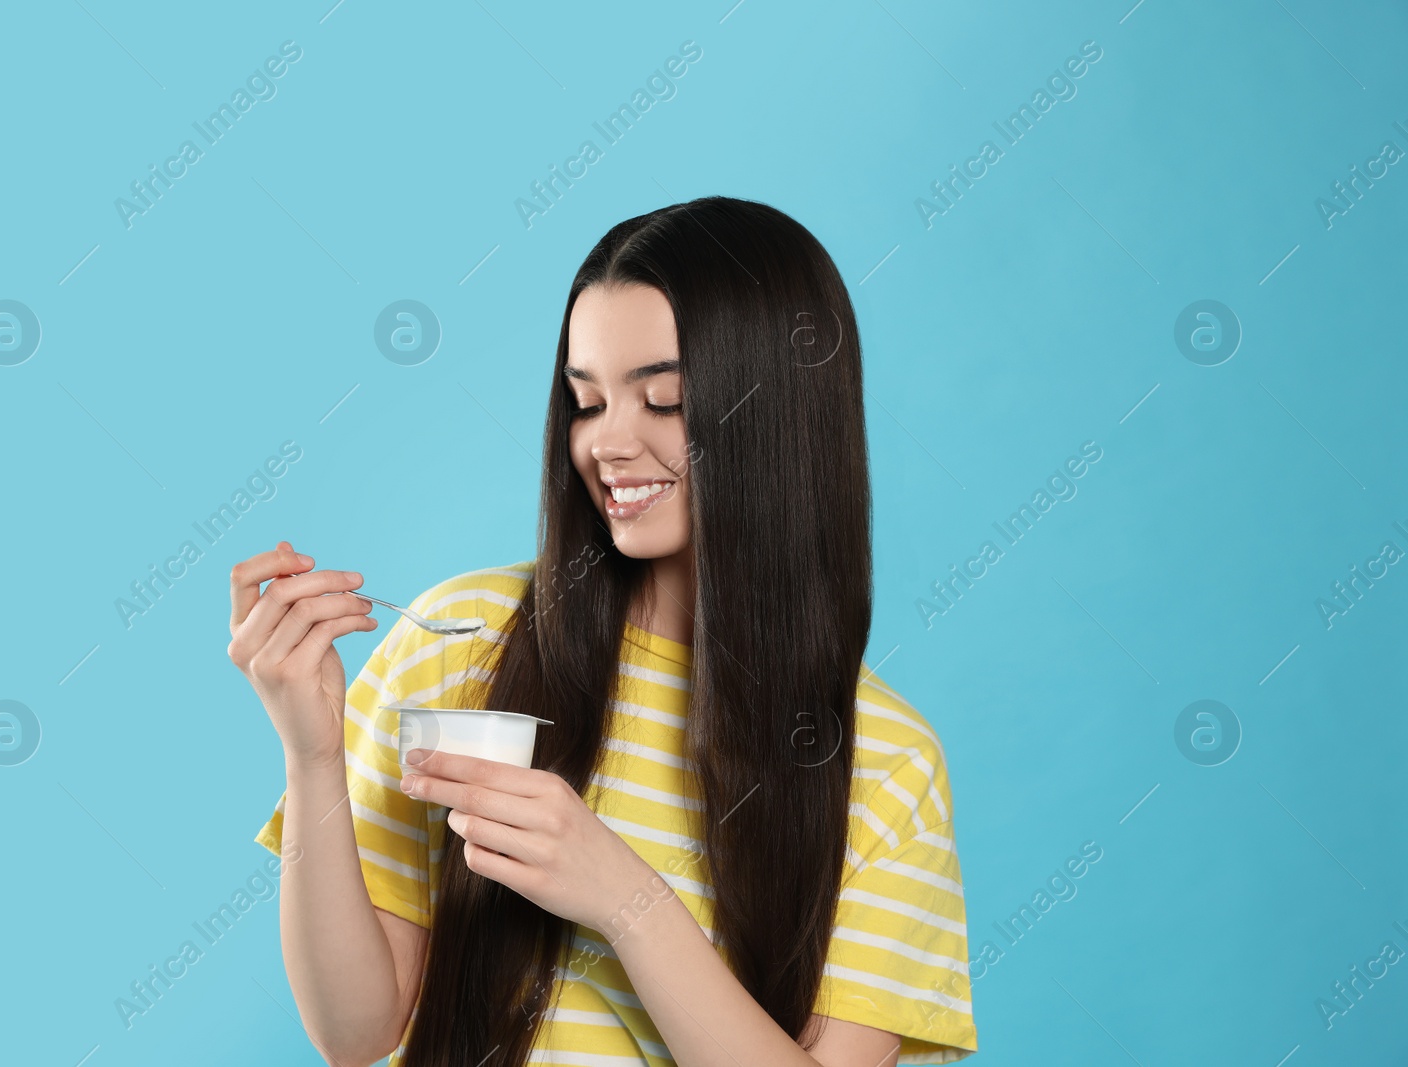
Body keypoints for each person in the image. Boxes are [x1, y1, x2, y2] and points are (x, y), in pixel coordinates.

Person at [229, 196, 978, 1067]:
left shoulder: (884, 761)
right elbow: (355, 1034)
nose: (607, 443)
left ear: (779, 416)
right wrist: (311, 751)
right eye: (585, 402)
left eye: (663, 400)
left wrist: (621, 896)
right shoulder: (457, 639)